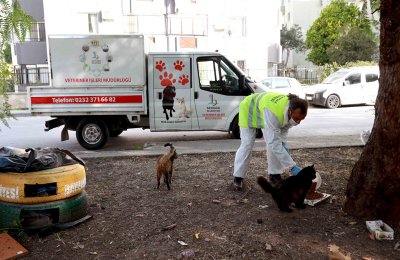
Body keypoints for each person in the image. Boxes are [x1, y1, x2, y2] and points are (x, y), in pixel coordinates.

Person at [232, 92, 308, 191]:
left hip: (264, 110)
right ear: (290, 111)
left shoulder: (292, 109)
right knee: (247, 144)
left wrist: (284, 146)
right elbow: (274, 143)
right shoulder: (274, 113)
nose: (298, 122)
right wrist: (292, 166)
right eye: (297, 118)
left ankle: (274, 175)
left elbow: (282, 134)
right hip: (249, 109)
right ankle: (238, 177)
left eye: (301, 119)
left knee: (277, 144)